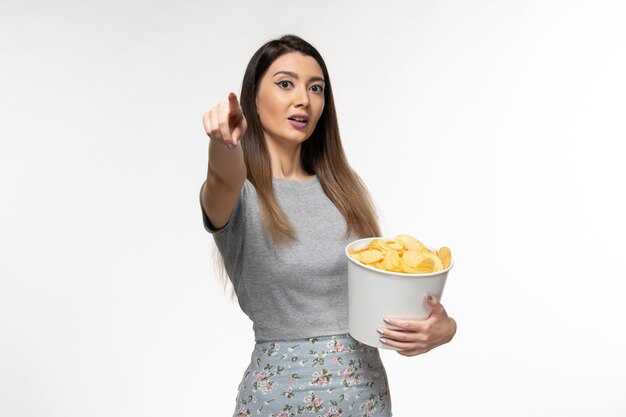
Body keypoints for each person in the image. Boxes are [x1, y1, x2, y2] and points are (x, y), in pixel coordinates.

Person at [199, 34, 457, 417]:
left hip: (365, 399)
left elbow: (389, 301)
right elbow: (223, 177)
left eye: (315, 88)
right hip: (278, 401)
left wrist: (443, 329)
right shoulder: (241, 195)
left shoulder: (344, 190)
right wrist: (225, 143)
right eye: (285, 83)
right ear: (253, 97)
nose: (303, 98)